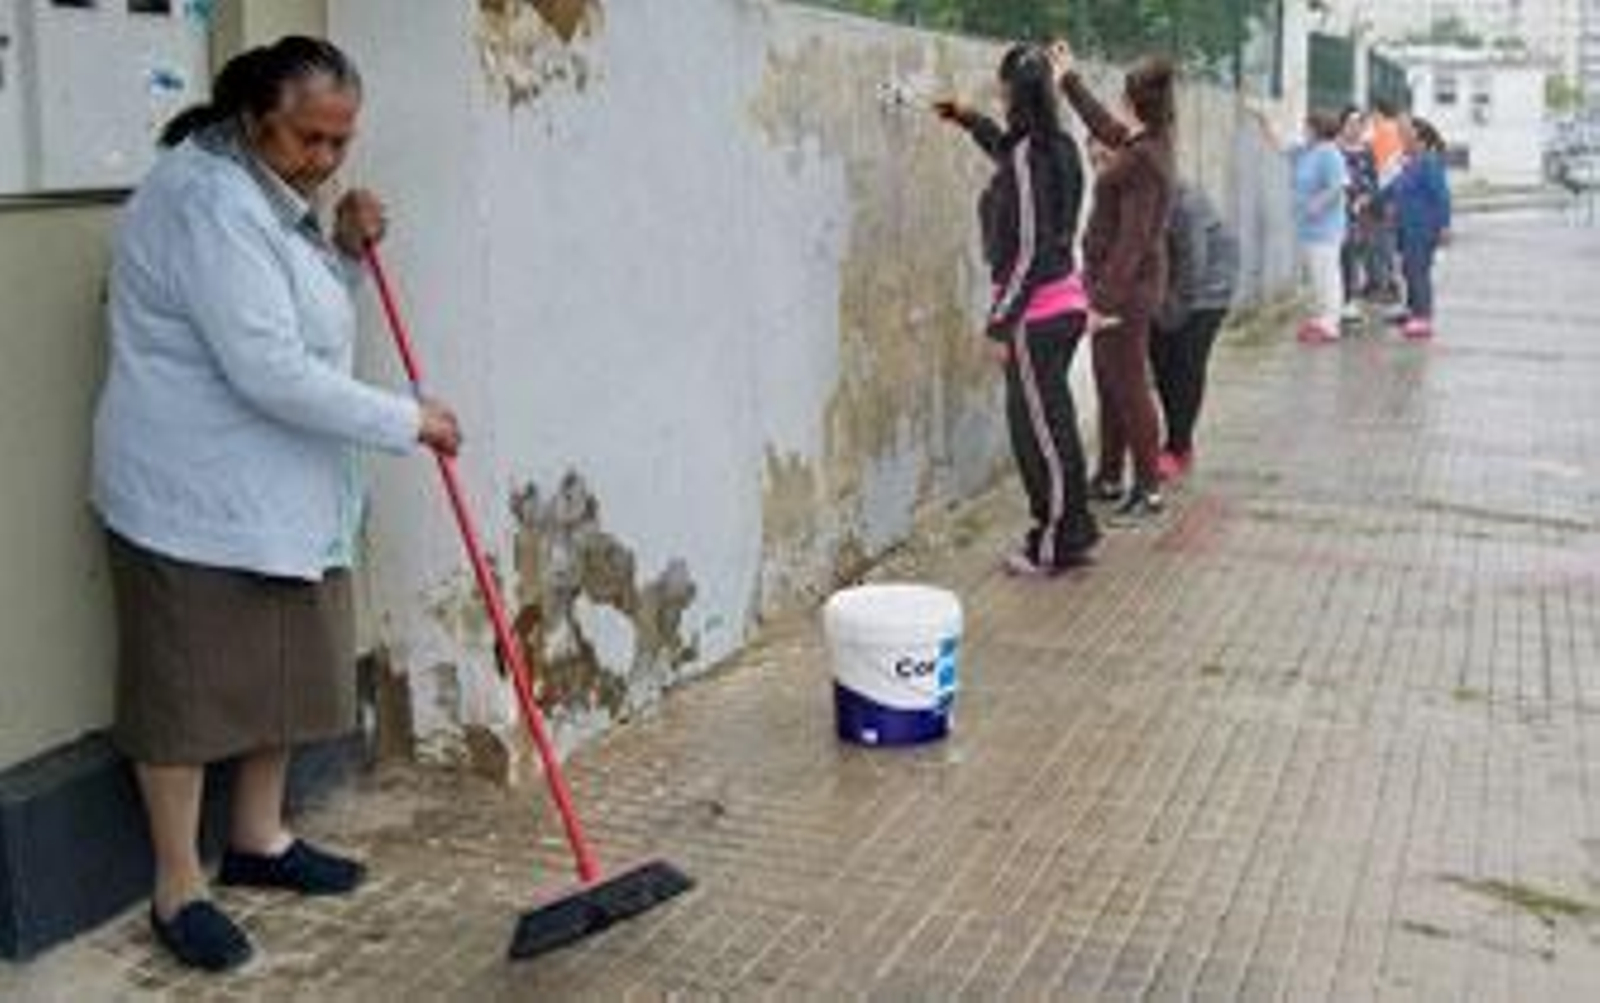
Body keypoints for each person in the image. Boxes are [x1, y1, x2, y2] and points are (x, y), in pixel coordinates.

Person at [91, 37, 462, 972]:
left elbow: (300, 321)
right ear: (255, 117)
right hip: (191, 492)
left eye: (342, 143)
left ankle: (258, 841)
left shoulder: (270, 195)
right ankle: (180, 885)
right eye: (311, 139)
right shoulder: (206, 202)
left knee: (283, 671)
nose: (329, 162)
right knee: (184, 693)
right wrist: (408, 419)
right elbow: (266, 368)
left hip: (277, 487)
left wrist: (337, 248)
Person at [935, 44, 1099, 577]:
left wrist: (1000, 323)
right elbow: (1009, 153)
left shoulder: (1032, 153)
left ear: (1012, 90)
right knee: (1055, 429)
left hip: (1037, 316)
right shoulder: (1056, 146)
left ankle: (1054, 543)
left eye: (1000, 86)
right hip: (1063, 305)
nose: (998, 93)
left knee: (1040, 437)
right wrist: (966, 119)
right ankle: (1074, 528)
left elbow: (1030, 247)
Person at [1050, 41, 1178, 524]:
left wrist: (1103, 301)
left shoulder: (1145, 159)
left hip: (1126, 291)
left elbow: (1134, 241)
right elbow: (1103, 125)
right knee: (1110, 381)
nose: (1118, 105)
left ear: (1134, 100)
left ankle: (1147, 490)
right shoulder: (1144, 143)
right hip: (1116, 287)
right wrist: (1068, 78)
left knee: (1128, 386)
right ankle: (1108, 476)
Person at [1149, 180, 1239, 481]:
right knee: (1162, 364)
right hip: (1167, 288)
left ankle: (1178, 447)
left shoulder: (1183, 202)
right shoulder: (1127, 196)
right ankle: (1174, 439)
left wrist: (1169, 314)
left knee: (1186, 365)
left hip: (1208, 291)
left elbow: (1194, 264)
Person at [1392, 116, 1452, 340]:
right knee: (1409, 270)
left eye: (1409, 138)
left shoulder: (1429, 163)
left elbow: (1442, 197)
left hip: (1423, 228)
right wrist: (1374, 201)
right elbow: (1395, 189)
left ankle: (1423, 318)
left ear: (1422, 142)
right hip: (1407, 227)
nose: (1405, 141)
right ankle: (1412, 310)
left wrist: (1445, 226)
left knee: (1419, 272)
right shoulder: (1411, 164)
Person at [1291, 111, 1348, 344]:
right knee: (1314, 277)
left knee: (1327, 276)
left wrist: (1317, 205)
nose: (1304, 131)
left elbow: (1338, 186)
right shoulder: (1308, 152)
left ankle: (1330, 324)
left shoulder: (1329, 153)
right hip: (1307, 228)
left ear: (1317, 129)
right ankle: (1318, 319)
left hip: (1325, 229)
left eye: (1307, 127)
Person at [1336, 106, 1379, 323]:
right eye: (1351, 124)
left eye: (1359, 124)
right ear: (1342, 125)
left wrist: (1366, 198)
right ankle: (1338, 300)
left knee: (1354, 255)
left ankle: (1350, 300)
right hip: (1336, 210)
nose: (1355, 128)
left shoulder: (1366, 151)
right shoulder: (1334, 149)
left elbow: (1373, 180)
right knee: (1337, 256)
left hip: (1359, 212)